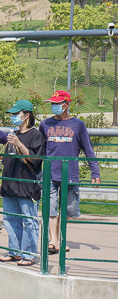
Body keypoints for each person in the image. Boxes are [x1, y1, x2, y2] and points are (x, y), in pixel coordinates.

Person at [39, 90, 101, 254]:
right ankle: (53, 240)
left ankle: (60, 239)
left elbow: (88, 149)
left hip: (70, 174)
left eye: (57, 104)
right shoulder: (45, 124)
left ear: (66, 105)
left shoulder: (78, 125)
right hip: (50, 174)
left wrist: (95, 172)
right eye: (52, 104)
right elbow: (39, 151)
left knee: (65, 210)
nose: (54, 106)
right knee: (50, 207)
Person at [0, 100, 45, 267]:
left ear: (26, 115)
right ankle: (14, 252)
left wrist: (19, 144)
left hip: (27, 184)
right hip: (10, 183)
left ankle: (29, 253)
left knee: (29, 220)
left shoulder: (35, 135)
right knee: (10, 219)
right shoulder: (13, 134)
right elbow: (8, 159)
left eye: (16, 114)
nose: (13, 117)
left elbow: (34, 159)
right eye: (12, 114)